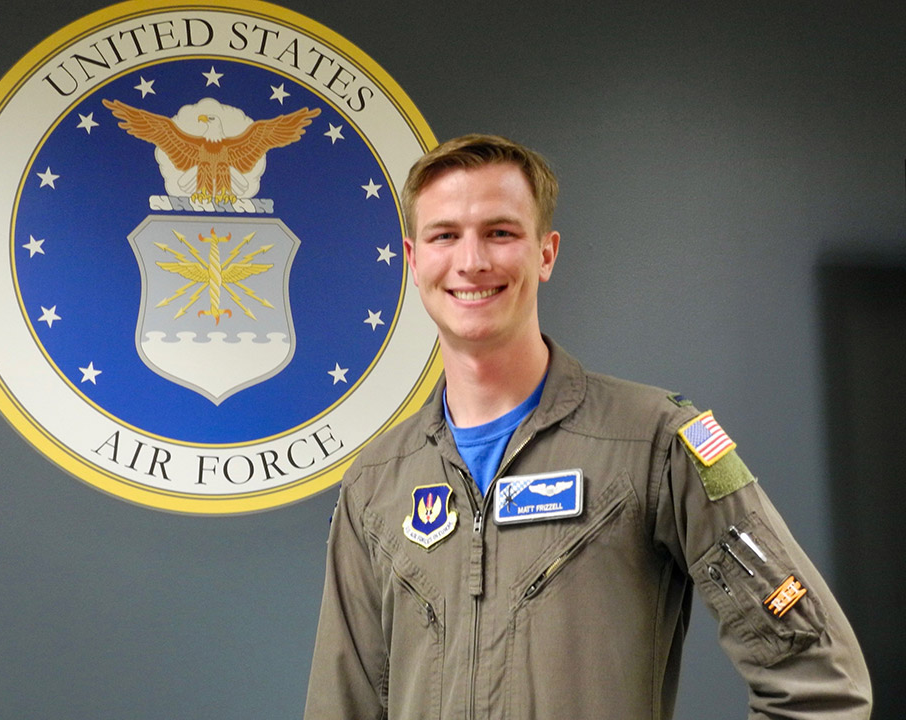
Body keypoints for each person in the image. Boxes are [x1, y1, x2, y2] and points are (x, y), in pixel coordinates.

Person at [303, 134, 872, 719]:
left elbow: (818, 681)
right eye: (445, 235)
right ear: (414, 259)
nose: (471, 261)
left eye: (500, 232)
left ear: (546, 253)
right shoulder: (374, 484)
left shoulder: (657, 443)